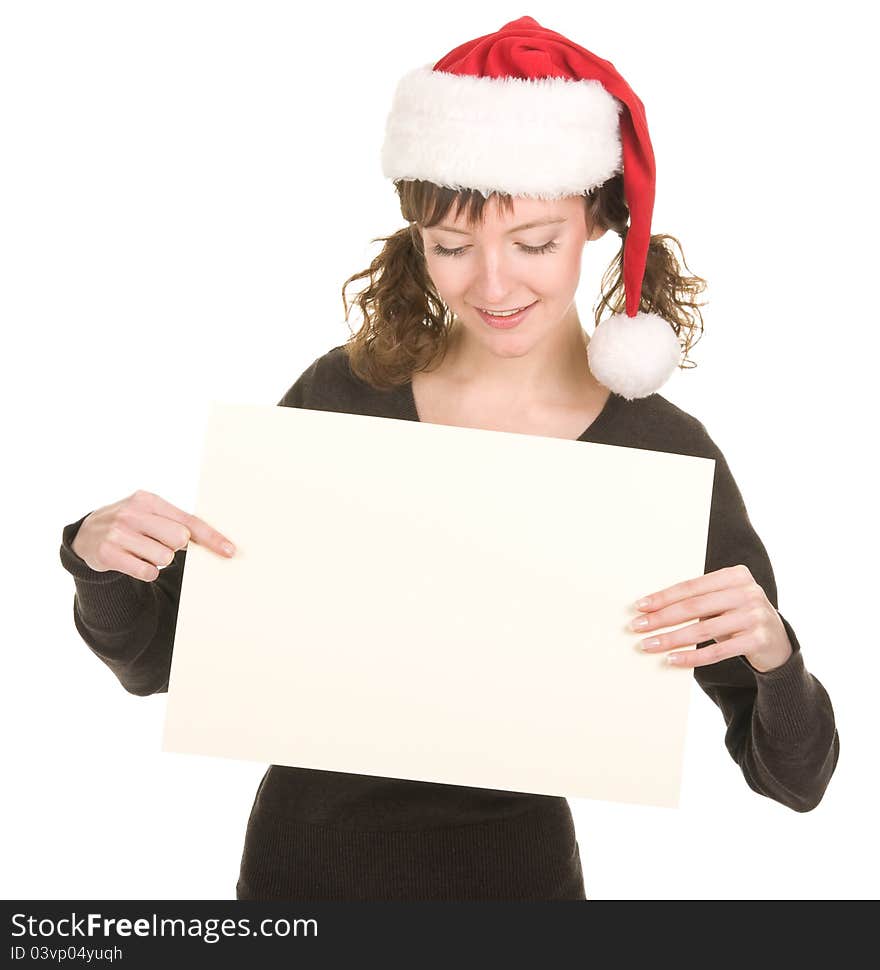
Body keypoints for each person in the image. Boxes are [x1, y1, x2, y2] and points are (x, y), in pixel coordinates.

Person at [59, 16, 839, 901]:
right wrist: (100, 561)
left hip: (520, 892)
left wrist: (776, 658)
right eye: (452, 248)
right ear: (417, 242)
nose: (494, 286)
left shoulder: (660, 452)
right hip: (300, 883)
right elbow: (163, 661)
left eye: (535, 243)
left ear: (597, 225)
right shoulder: (343, 395)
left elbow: (794, 778)